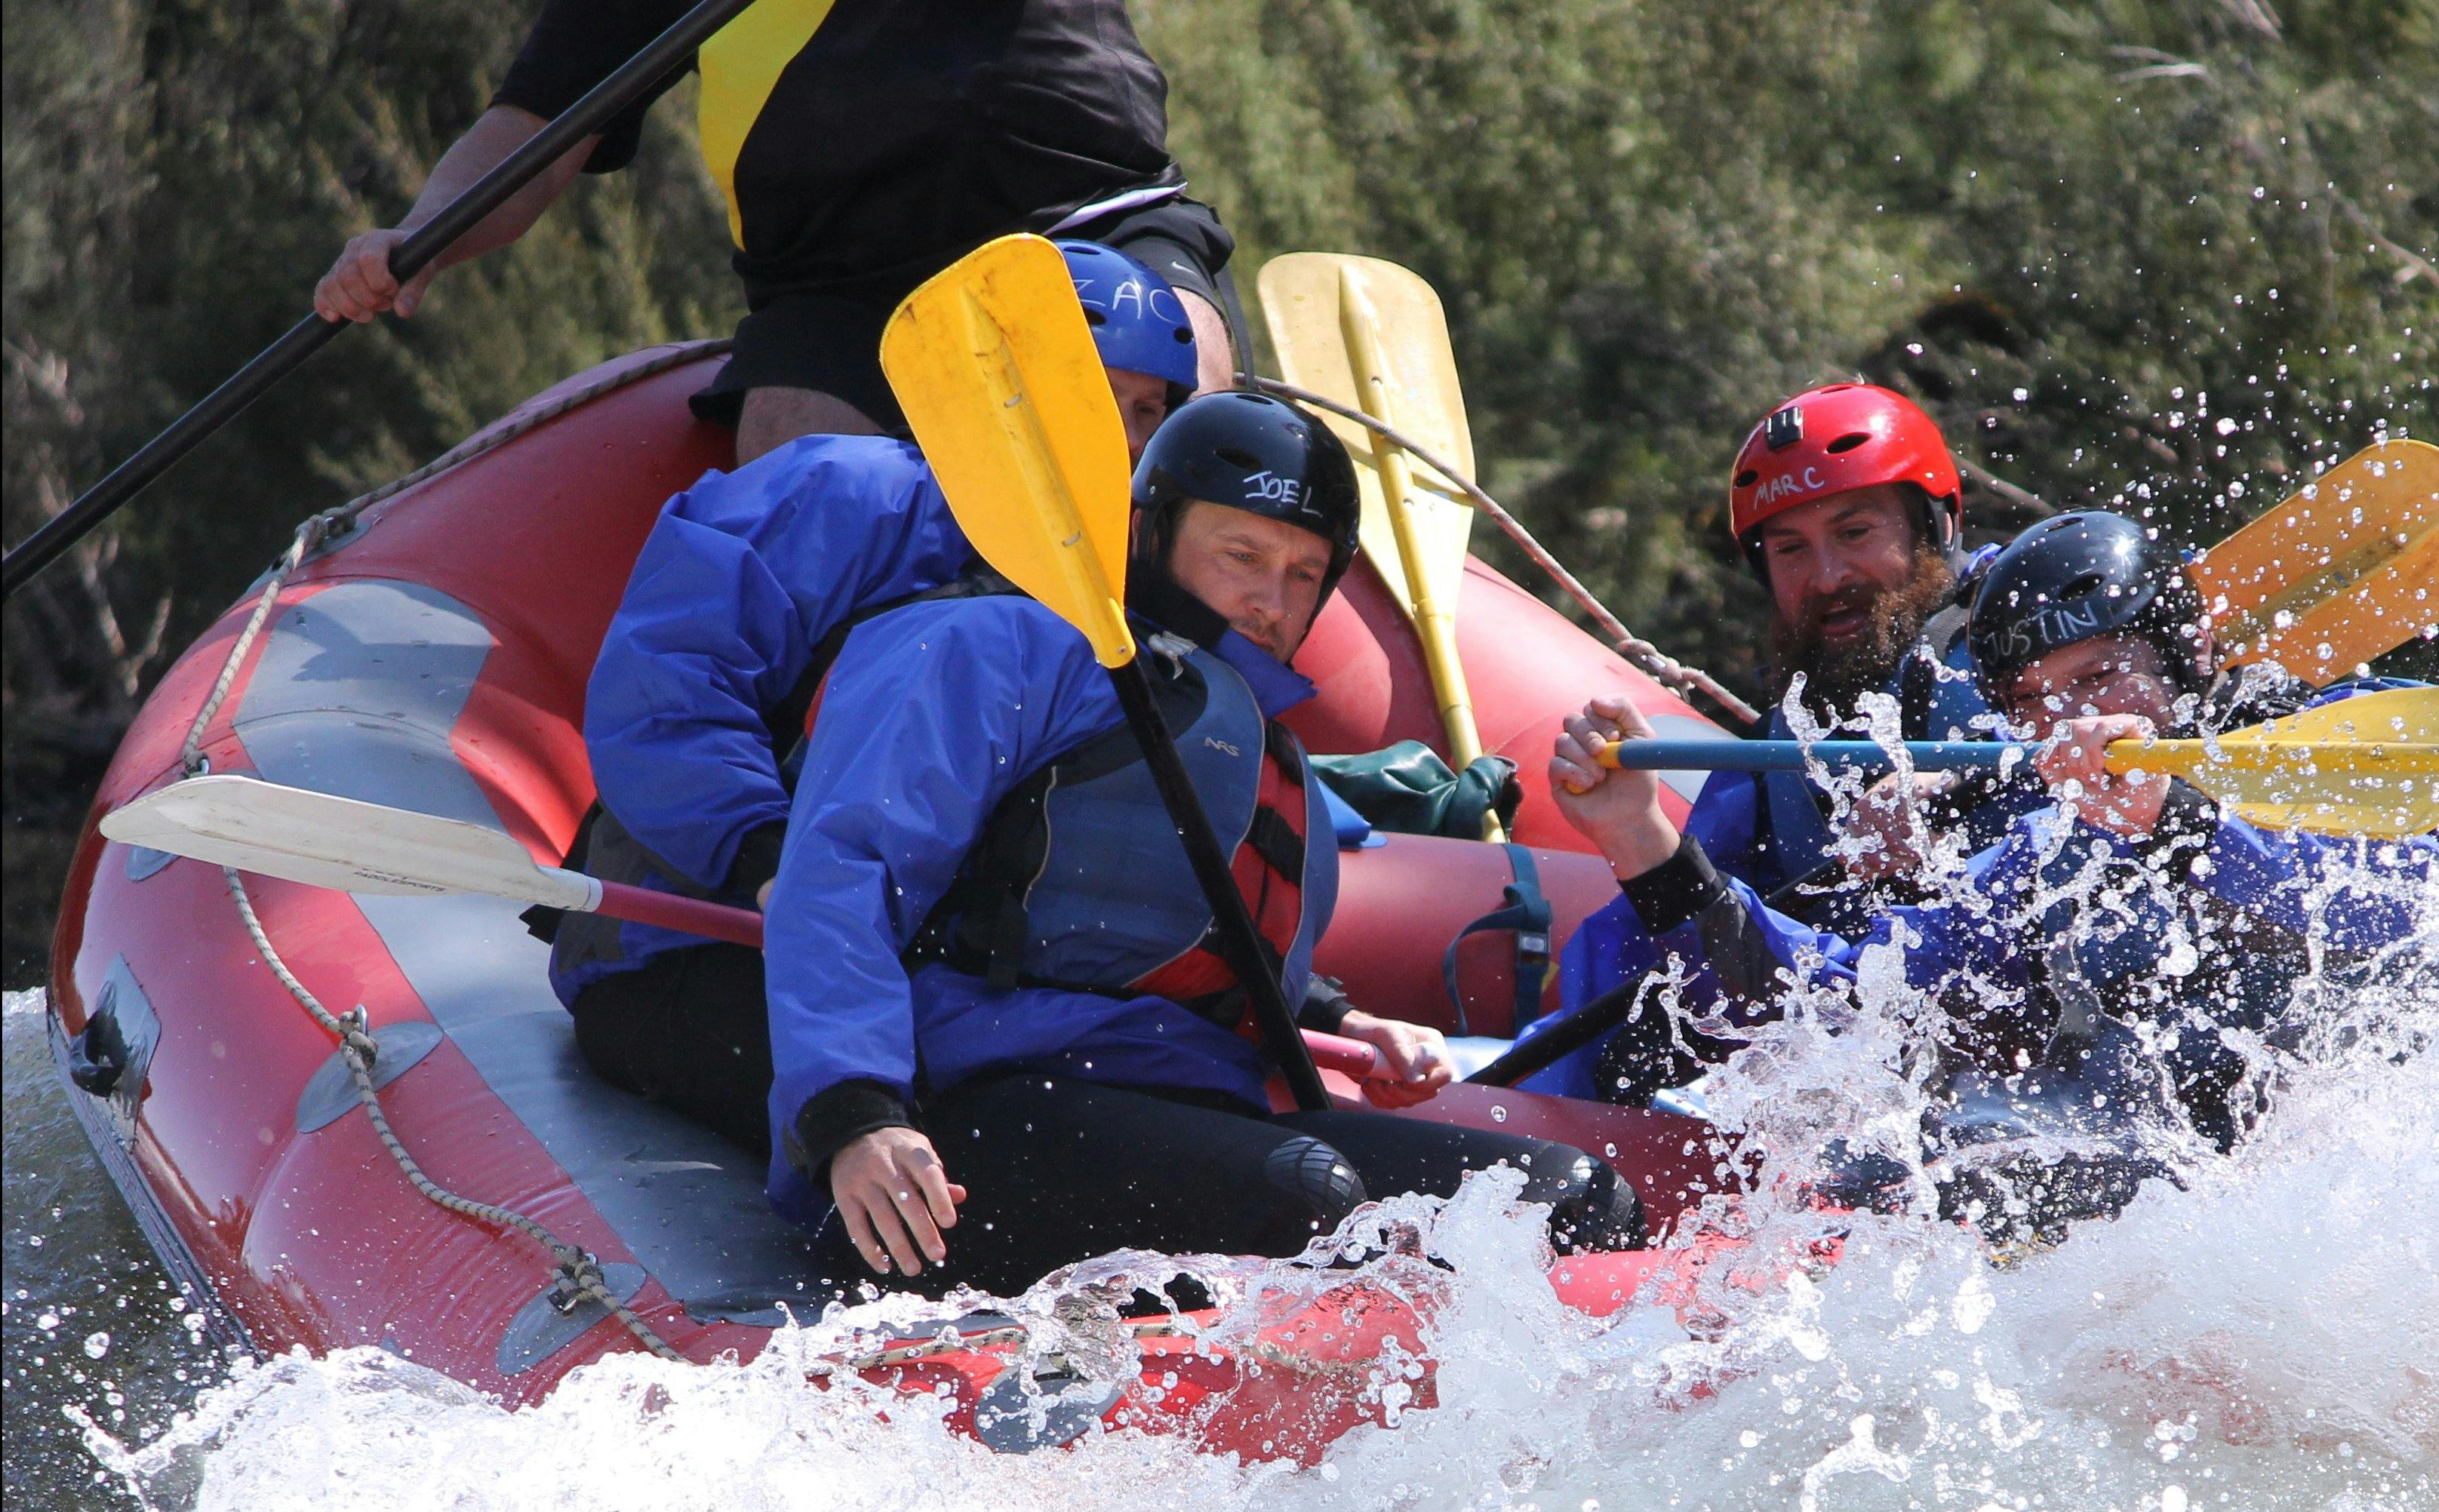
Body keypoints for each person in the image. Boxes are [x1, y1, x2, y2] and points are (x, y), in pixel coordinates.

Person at [762, 391, 1646, 1287]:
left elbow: (1159, 939)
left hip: (1180, 1104)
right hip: (956, 1117)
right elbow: (840, 879)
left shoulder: (1249, 731)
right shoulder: (990, 645)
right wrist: (855, 1116)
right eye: (1242, 555)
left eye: (1304, 574)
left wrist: (1334, 1016)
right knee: (1309, 1199)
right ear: (1150, 532)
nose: (1271, 599)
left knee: (1571, 1201)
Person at [1535, 510, 2439, 1228]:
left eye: (2099, 677)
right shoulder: (2048, 856)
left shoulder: (2321, 746)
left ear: (2178, 663)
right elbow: (1830, 1002)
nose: (2071, 722)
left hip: (2401, 1177)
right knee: (1932, 1154)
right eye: (2033, 700)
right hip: (2199, 1194)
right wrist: (1646, 846)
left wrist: (2180, 822)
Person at [548, 240, 1199, 1153]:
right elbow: (668, 693)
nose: (1128, 436)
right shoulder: (843, 493)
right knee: (976, 1123)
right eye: (1103, 395)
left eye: (1149, 410)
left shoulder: (1115, 580)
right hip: (702, 943)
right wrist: (768, 859)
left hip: (920, 972)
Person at [313, 0, 1244, 462]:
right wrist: (422, 233)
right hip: (840, 292)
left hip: (1095, 221)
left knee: (1180, 393)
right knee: (796, 475)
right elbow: (532, 133)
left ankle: (1188, 727)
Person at [1586, 383, 2019, 937]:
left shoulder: (2030, 638)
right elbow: (1697, 967)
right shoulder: (1772, 762)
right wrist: (1634, 834)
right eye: (1791, 549)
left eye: (1855, 532)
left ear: (1938, 527)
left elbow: (2117, 754)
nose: (1827, 577)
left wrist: (1958, 784)